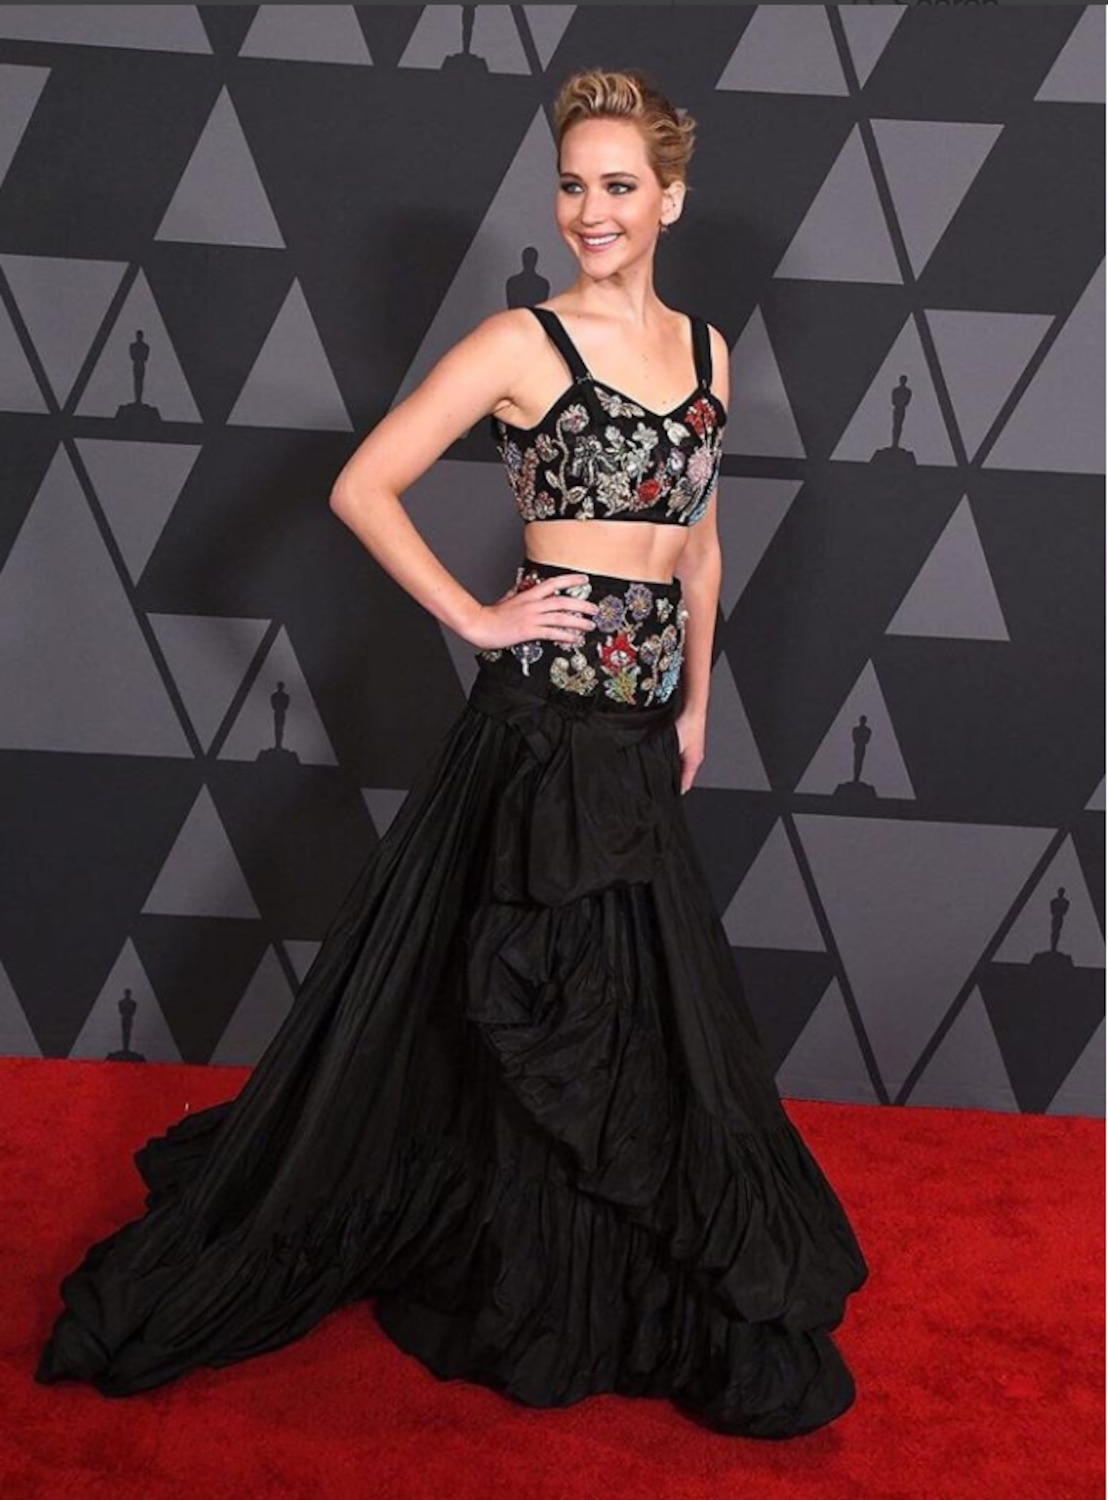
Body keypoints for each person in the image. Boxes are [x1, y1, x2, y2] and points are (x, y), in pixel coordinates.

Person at [35, 67, 868, 1439]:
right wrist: (477, 617)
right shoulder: (519, 344)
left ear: (670, 198)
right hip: (542, 730)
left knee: (618, 1017)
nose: (591, 211)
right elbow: (362, 484)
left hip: (641, 726)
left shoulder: (710, 353)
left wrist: (698, 700)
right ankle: (530, 1266)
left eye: (619, 186)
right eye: (572, 186)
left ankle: (594, 1253)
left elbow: (699, 545)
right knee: (536, 1001)